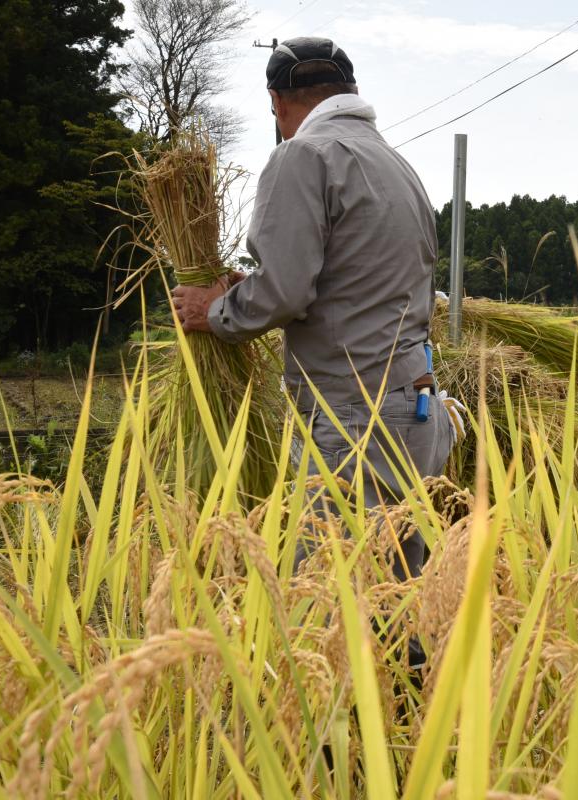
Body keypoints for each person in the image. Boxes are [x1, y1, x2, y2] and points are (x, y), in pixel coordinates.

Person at [173, 36, 452, 577]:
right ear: (352, 91)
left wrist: (214, 311)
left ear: (277, 103)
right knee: (396, 606)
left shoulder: (302, 154)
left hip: (354, 417)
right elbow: (351, 278)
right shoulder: (393, 163)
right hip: (414, 409)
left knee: (335, 605)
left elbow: (285, 294)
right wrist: (251, 286)